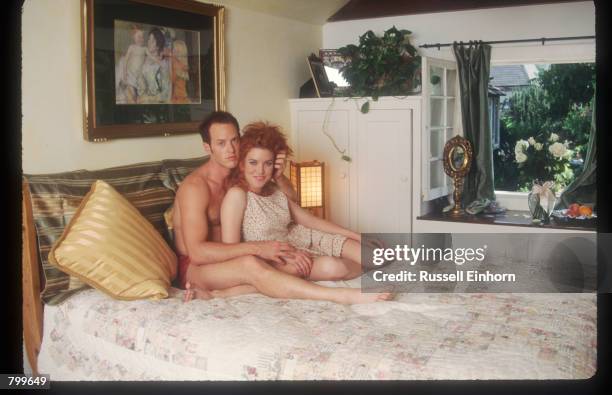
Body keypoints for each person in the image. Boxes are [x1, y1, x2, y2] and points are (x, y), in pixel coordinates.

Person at [173, 111, 392, 304]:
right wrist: (262, 249)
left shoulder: (242, 170)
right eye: (221, 143)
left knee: (354, 259)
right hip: (199, 268)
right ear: (207, 147)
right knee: (252, 264)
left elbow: (289, 204)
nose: (231, 149)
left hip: (246, 255)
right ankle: (342, 296)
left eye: (234, 140)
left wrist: (279, 177)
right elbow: (198, 254)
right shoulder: (196, 188)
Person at [218, 122, 367, 297]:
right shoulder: (237, 195)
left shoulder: (273, 188)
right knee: (335, 267)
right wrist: (281, 260)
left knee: (366, 252)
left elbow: (309, 221)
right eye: (253, 162)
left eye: (267, 163)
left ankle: (384, 271)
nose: (260, 170)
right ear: (242, 164)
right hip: (276, 260)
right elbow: (232, 253)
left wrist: (355, 235)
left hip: (304, 239)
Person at [115, 25, 146, 104]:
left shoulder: (143, 59)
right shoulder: (122, 61)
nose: (140, 39)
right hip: (124, 97)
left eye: (142, 37)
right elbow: (118, 83)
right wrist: (127, 89)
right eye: (138, 36)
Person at [139, 27, 171, 103]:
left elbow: (166, 93)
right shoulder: (143, 62)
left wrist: (149, 99)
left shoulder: (163, 64)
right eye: (149, 39)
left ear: (158, 45)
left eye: (152, 40)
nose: (149, 42)